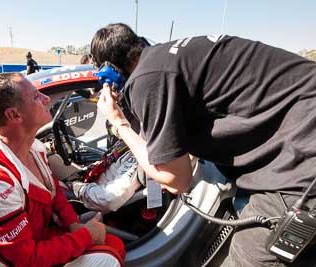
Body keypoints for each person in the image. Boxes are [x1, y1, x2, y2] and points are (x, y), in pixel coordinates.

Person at [91, 23, 316, 266]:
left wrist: (118, 122)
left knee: (247, 257)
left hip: (301, 161)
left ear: (109, 72)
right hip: (296, 140)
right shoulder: (164, 60)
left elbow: (176, 180)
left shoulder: (147, 79)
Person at [0, 72, 125, 266]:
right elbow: (27, 260)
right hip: (22, 260)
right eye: (36, 97)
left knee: (113, 243)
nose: (46, 99)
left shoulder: (33, 148)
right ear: (14, 115)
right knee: (107, 259)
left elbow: (54, 191)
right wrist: (86, 236)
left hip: (38, 238)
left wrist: (73, 224)